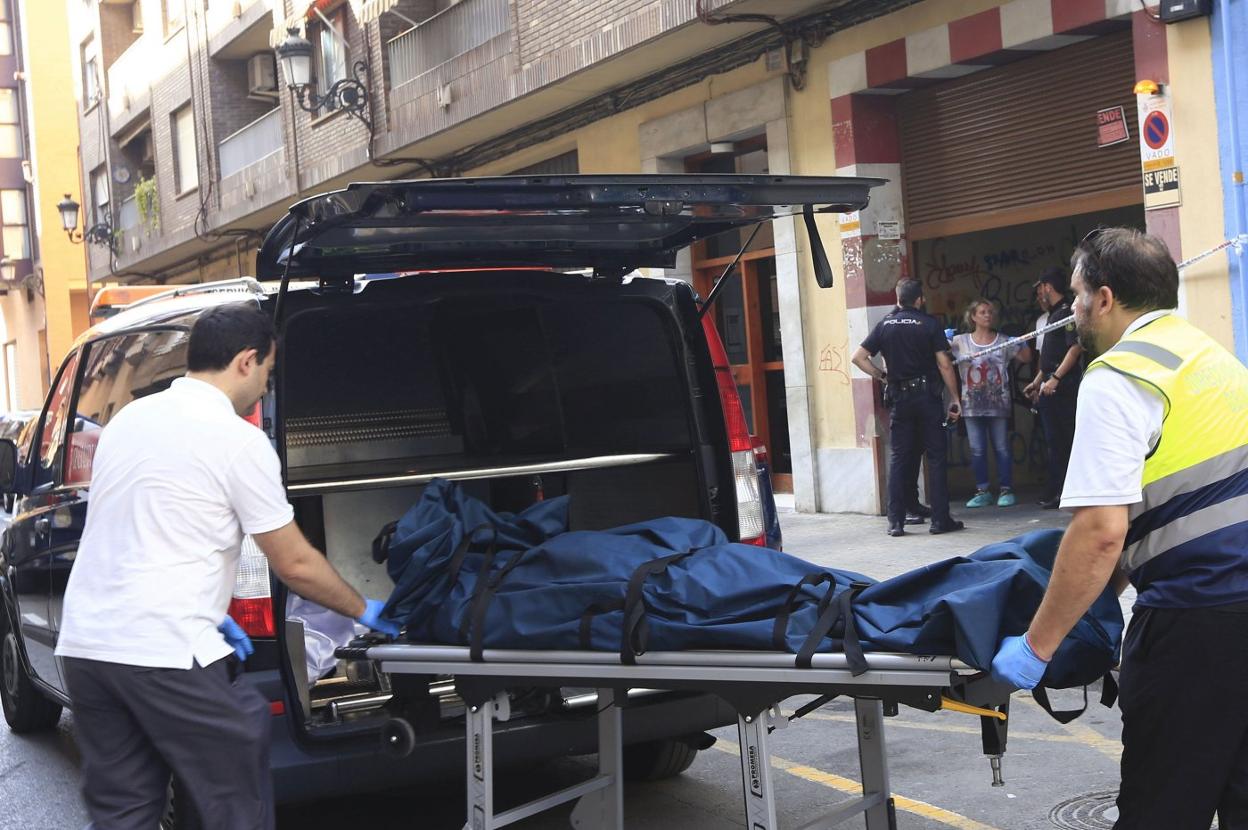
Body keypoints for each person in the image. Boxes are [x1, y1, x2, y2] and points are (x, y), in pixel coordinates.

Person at [55, 303, 401, 830]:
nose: (265, 387)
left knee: (126, 811)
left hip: (87, 648)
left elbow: (142, 528)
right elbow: (295, 563)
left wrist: (212, 611)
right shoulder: (238, 441)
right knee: (237, 771)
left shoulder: (129, 421)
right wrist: (363, 608)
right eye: (267, 371)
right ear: (246, 361)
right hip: (162, 649)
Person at [989, 228, 1248, 829]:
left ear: (1104, 299)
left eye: (1076, 294)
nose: (1071, 309)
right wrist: (1102, 594)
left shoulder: (1117, 376)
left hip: (1197, 621)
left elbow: (1102, 531)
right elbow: (1177, 504)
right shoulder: (1210, 355)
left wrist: (1038, 646)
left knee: (1161, 809)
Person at [852, 279, 964, 537]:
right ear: (920, 300)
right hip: (927, 398)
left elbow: (858, 357)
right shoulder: (929, 324)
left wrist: (882, 376)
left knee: (899, 458)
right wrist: (955, 397)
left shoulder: (885, 325)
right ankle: (939, 520)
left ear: (898, 299)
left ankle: (896, 521)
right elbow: (944, 364)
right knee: (935, 457)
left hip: (899, 399)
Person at [950, 298, 1031, 508]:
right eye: (983, 312)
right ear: (973, 316)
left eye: (990, 312)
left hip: (998, 405)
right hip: (971, 405)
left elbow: (1026, 358)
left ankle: (1006, 489)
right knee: (977, 449)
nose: (988, 315)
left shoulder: (1003, 340)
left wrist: (1021, 342)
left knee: (1002, 448)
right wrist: (941, 339)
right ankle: (982, 491)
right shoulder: (960, 341)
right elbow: (938, 357)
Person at [1023, 267, 1083, 508]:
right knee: (1053, 441)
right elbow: (1050, 355)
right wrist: (1038, 381)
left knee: (1062, 441)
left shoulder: (1067, 312)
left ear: (1047, 287)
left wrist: (1056, 378)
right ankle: (1056, 489)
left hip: (1062, 387)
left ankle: (1061, 491)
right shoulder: (1053, 316)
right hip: (1049, 383)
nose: (1039, 294)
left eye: (1040, 289)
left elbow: (1075, 347)